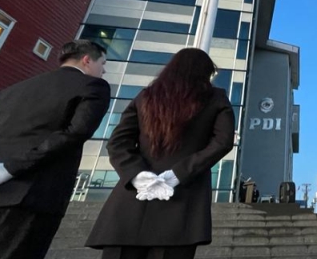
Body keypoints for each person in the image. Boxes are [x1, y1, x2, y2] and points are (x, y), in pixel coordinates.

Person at [0, 40, 111, 259]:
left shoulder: (9, 91)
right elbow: (76, 132)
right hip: (30, 195)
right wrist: (9, 169)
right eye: (103, 63)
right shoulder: (93, 86)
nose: (104, 70)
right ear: (87, 60)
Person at [85, 48, 235, 259]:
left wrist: (137, 175)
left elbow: (118, 142)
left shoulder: (145, 96)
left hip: (130, 204)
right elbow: (222, 142)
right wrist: (178, 174)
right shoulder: (215, 98)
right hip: (182, 202)